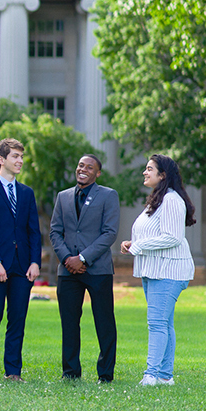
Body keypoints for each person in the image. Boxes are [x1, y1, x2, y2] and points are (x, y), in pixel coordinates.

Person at [120, 154, 195, 387]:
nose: (145, 172)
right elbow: (155, 234)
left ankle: (150, 375)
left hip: (168, 271)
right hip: (154, 270)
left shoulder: (172, 200)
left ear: (162, 175)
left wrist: (138, 246)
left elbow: (172, 237)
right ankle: (164, 376)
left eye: (149, 169)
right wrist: (134, 243)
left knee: (157, 323)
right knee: (164, 323)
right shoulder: (159, 200)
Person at [0, 138, 42, 383]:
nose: (20, 161)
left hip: (23, 266)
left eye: (21, 157)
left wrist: (35, 261)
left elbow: (34, 230)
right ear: (1, 159)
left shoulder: (26, 193)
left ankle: (13, 371)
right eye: (15, 156)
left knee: (18, 319)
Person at [50, 154, 120, 383]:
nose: (83, 169)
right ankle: (70, 372)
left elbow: (109, 233)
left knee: (104, 322)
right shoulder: (63, 197)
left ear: (97, 173)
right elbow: (55, 232)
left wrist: (83, 258)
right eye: (81, 165)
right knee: (69, 323)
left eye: (89, 167)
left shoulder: (108, 196)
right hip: (67, 271)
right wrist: (67, 258)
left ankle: (106, 374)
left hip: (98, 269)